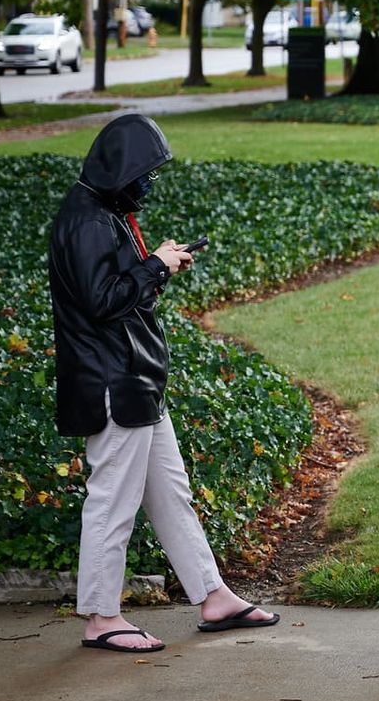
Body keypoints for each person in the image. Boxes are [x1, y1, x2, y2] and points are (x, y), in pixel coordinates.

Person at [49, 113, 281, 653]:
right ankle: (102, 617)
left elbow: (117, 293)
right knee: (111, 501)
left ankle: (213, 594)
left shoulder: (105, 213)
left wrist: (157, 264)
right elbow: (102, 301)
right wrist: (155, 265)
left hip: (134, 379)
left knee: (170, 493)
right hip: (114, 383)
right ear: (119, 170)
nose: (148, 184)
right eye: (144, 173)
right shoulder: (87, 221)